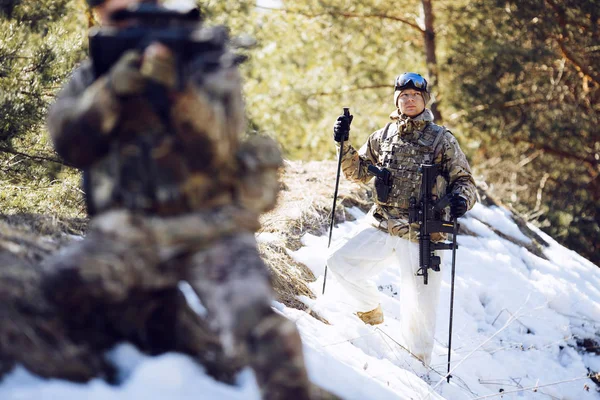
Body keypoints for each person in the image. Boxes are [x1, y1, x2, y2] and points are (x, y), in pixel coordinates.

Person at [44, 0, 314, 398]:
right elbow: (70, 146)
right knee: (62, 288)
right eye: (113, 16)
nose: (126, 25)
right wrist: (110, 92)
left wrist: (178, 94)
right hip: (130, 231)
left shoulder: (204, 63)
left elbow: (218, 148)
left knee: (257, 327)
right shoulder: (95, 72)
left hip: (210, 228)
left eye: (133, 12)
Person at [326, 72, 477, 365]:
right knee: (340, 262)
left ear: (424, 100)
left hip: (424, 232)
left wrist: (461, 200)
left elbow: (465, 181)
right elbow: (357, 172)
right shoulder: (383, 135)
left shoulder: (441, 139)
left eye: (415, 96)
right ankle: (370, 311)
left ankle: (418, 369)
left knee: (420, 308)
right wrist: (342, 144)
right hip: (383, 223)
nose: (409, 100)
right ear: (397, 100)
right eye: (404, 95)